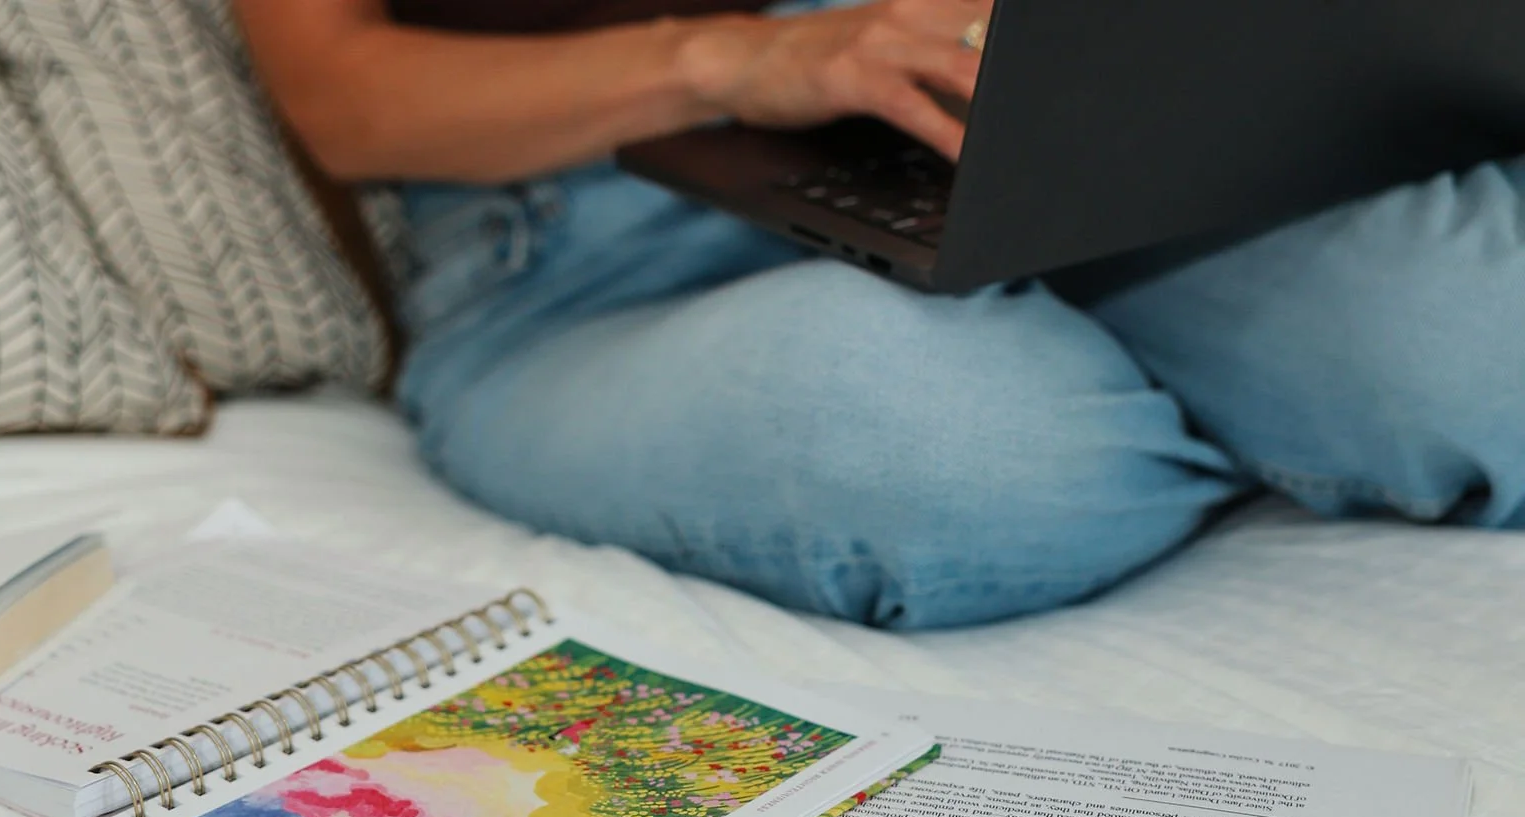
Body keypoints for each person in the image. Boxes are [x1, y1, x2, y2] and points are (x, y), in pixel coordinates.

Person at [237, 0, 1525, 629]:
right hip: (584, 216)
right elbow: (347, 101)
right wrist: (730, 59)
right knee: (948, 448)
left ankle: (1099, 328)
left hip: (962, 93)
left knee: (1484, 352)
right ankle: (1175, 383)